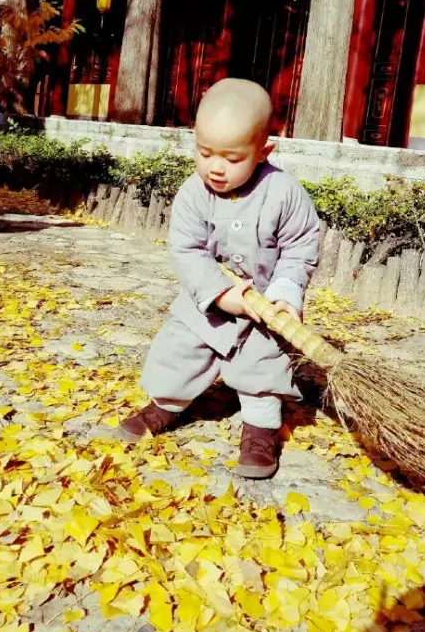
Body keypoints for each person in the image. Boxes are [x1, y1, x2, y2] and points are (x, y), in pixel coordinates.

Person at [109, 78, 320, 478]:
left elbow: (301, 245)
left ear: (263, 151)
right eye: (205, 153)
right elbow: (187, 250)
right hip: (206, 298)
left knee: (262, 362)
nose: (216, 167)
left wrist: (286, 294)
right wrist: (220, 294)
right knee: (179, 349)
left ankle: (260, 428)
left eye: (232, 158)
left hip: (264, 304)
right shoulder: (192, 194)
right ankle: (166, 405)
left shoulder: (284, 192)